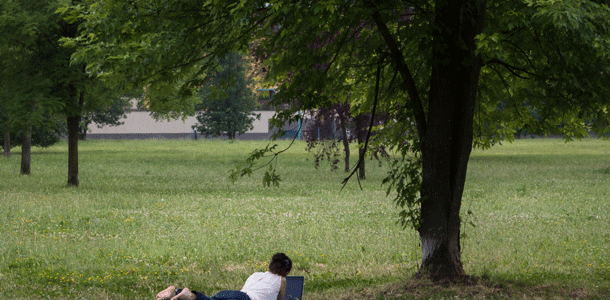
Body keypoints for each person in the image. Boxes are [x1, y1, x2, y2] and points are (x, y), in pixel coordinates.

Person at [156, 253, 292, 300]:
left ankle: (177, 292)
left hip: (234, 294)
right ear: (285, 271)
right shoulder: (282, 280)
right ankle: (189, 295)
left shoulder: (256, 275)